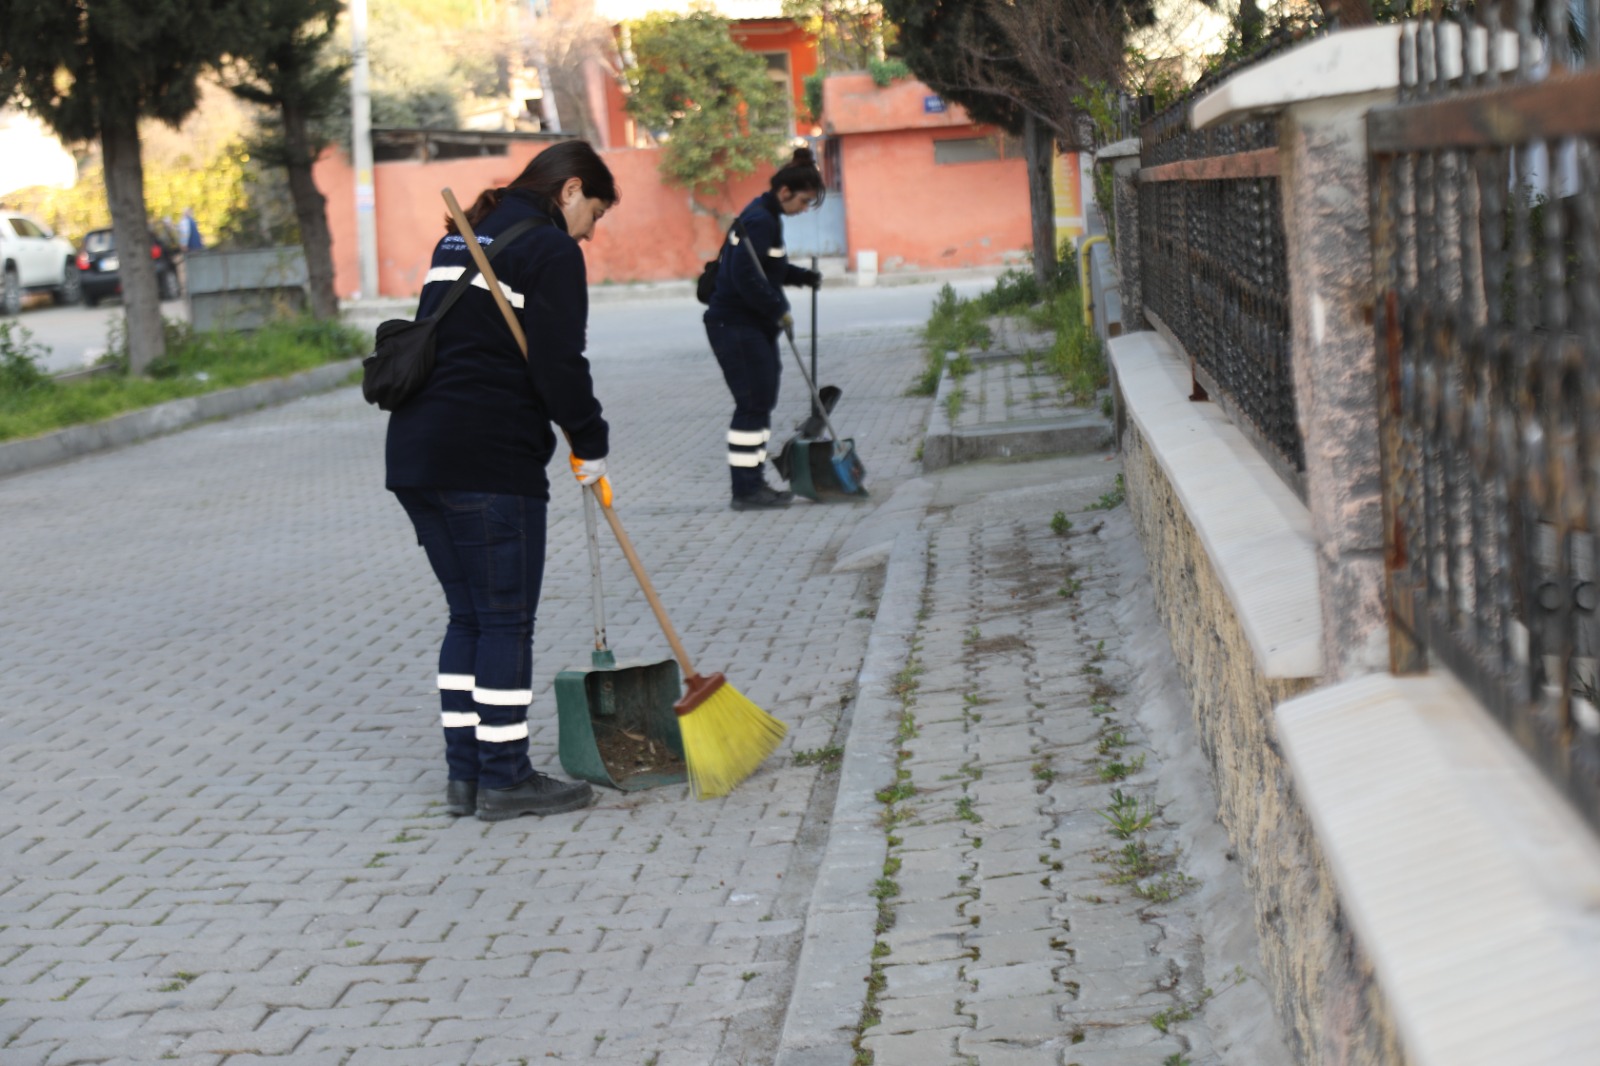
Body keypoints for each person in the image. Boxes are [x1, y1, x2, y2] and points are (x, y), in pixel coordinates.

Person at [385, 140, 618, 821]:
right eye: (595, 214)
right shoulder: (550, 250)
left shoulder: (461, 239)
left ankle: (468, 776)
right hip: (487, 459)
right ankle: (506, 778)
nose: (591, 232)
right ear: (571, 190)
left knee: (472, 617)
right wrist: (591, 440)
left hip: (417, 455)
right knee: (506, 622)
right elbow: (559, 365)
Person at [703, 146, 826, 510]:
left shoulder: (765, 217)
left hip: (747, 325)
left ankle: (753, 483)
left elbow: (765, 270)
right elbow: (744, 276)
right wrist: (777, 310)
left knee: (759, 402)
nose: (803, 209)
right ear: (785, 192)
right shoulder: (761, 220)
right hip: (736, 325)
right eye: (803, 201)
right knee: (753, 404)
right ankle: (746, 490)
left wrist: (803, 277)